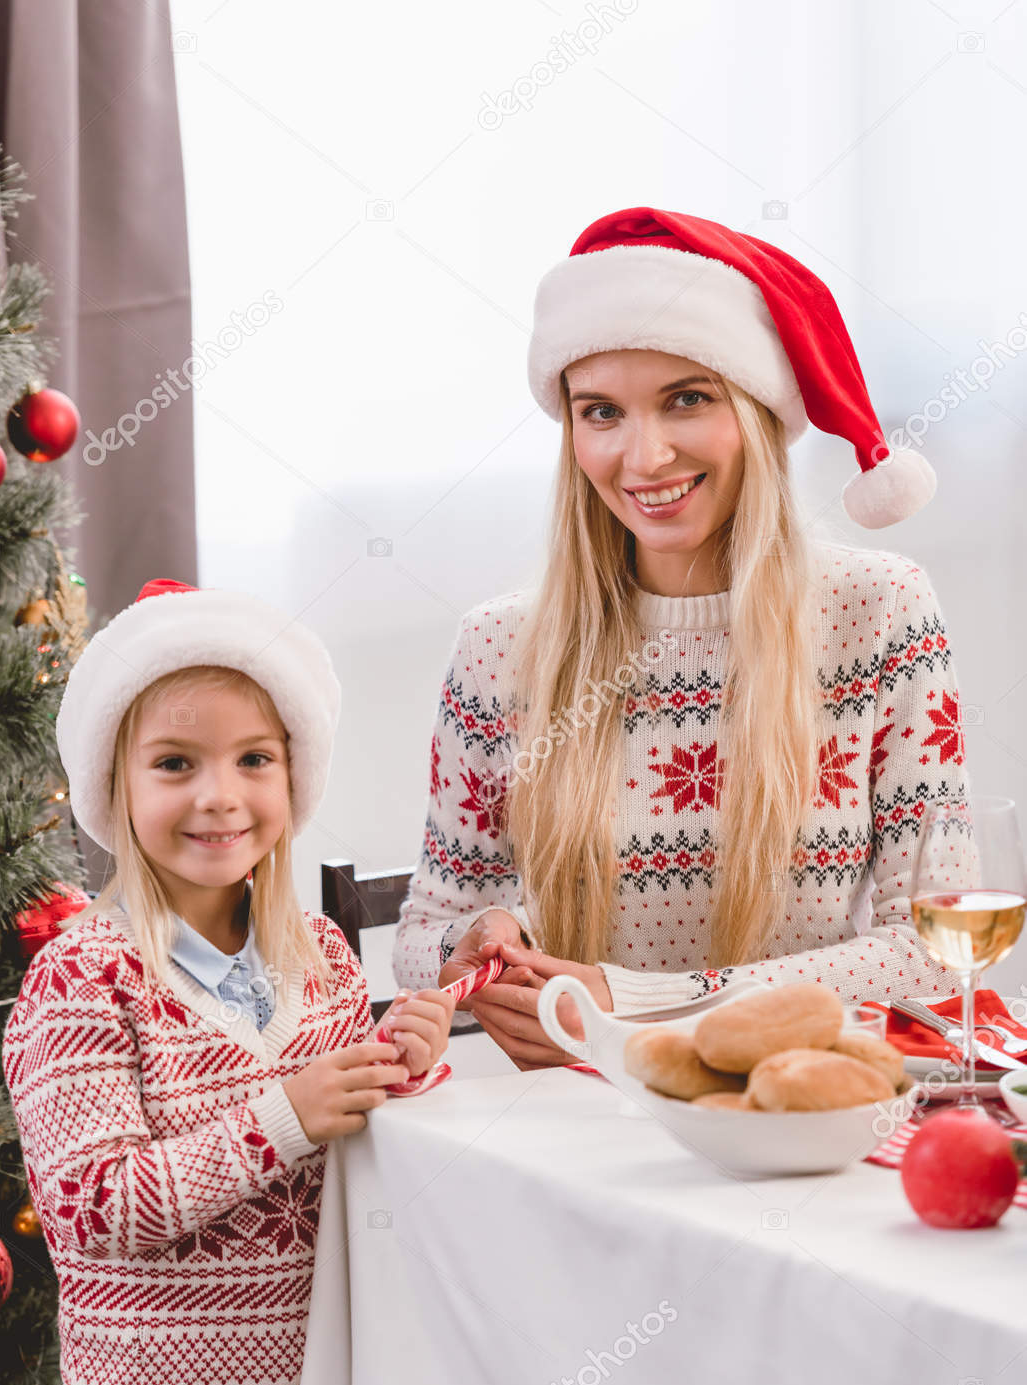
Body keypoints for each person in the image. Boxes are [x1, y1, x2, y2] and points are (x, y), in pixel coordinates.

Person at [392, 207, 969, 1068]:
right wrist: (478, 940)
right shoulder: (497, 649)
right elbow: (422, 936)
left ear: (759, 412)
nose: (644, 456)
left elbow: (935, 952)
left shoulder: (878, 611)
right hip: (577, 1113)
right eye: (601, 412)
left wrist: (641, 1007)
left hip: (793, 1104)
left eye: (687, 400)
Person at [1, 577, 453, 1385]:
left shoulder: (326, 957)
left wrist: (401, 1065)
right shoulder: (82, 976)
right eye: (174, 763)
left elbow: (340, 1148)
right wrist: (290, 1110)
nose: (220, 795)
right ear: (112, 788)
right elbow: (93, 1206)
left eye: (255, 758)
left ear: (294, 775)